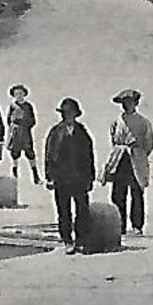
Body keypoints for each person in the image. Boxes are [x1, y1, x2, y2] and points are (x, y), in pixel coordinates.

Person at [43, 96, 96, 252]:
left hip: (79, 178)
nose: (68, 116)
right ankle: (67, 240)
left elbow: (89, 155)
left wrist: (90, 177)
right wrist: (50, 177)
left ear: (76, 114)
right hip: (61, 179)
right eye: (65, 113)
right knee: (63, 211)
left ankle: (81, 240)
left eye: (71, 113)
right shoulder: (55, 132)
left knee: (82, 210)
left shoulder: (82, 132)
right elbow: (49, 156)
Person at [102, 89, 153, 235]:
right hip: (120, 158)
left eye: (130, 102)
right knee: (118, 193)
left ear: (135, 103)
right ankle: (120, 225)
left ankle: (137, 225)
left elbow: (149, 142)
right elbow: (113, 139)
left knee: (136, 192)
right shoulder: (117, 121)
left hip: (136, 157)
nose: (127, 105)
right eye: (124, 103)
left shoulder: (143, 121)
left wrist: (140, 154)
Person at [7, 84, 41, 185]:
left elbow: (33, 120)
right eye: (16, 94)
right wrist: (14, 125)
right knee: (15, 154)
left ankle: (36, 176)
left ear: (24, 94)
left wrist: (25, 123)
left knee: (30, 153)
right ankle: (15, 174)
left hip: (25, 133)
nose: (18, 95)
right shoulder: (12, 106)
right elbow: (8, 120)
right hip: (16, 133)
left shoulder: (28, 106)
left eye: (20, 93)